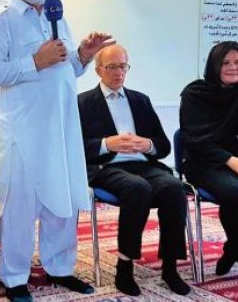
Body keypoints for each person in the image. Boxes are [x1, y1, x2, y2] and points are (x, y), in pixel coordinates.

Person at [0, 0, 113, 302]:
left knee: (62, 201)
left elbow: (65, 68)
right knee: (20, 207)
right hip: (23, 132)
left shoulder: (57, 17)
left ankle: (60, 268)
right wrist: (33, 61)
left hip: (62, 128)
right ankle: (15, 278)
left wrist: (83, 56)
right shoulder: (2, 20)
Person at [78, 44, 190, 296]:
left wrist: (147, 144)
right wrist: (108, 143)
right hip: (106, 166)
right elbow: (75, 148)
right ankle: (125, 264)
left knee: (173, 188)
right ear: (98, 71)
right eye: (112, 67)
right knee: (137, 189)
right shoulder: (83, 103)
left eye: (123, 66)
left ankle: (170, 267)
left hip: (143, 163)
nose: (119, 72)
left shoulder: (141, 100)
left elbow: (162, 146)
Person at [180, 41, 238, 276]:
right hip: (202, 162)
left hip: (234, 159)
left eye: (237, 62)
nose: (233, 67)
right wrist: (230, 160)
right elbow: (194, 139)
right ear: (214, 65)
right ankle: (235, 248)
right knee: (235, 191)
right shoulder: (195, 94)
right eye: (225, 63)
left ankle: (234, 247)